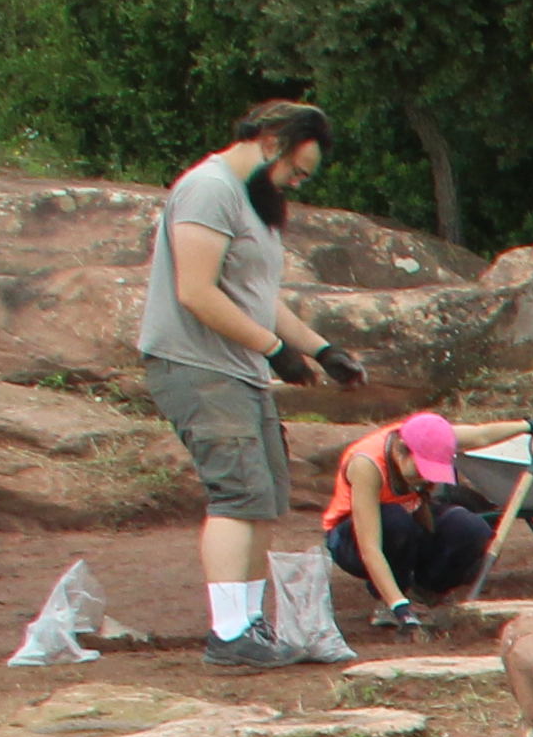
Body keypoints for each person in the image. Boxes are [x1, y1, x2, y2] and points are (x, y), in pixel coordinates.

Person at [135, 101, 363, 670]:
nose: (295, 183)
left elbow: (257, 298)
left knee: (264, 496)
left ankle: (247, 622)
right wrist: (274, 350)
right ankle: (227, 632)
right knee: (236, 493)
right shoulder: (208, 191)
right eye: (295, 170)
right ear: (270, 142)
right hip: (199, 366)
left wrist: (320, 349)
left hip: (240, 370)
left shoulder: (250, 204)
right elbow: (196, 290)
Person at [316, 409, 517, 634]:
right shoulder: (367, 465)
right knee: (395, 522)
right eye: (421, 469)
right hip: (351, 537)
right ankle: (392, 598)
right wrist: (399, 607)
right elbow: (370, 548)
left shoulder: (431, 436)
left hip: (412, 521)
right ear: (403, 452)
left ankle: (427, 591)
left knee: (471, 528)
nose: (425, 478)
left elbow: (482, 435)